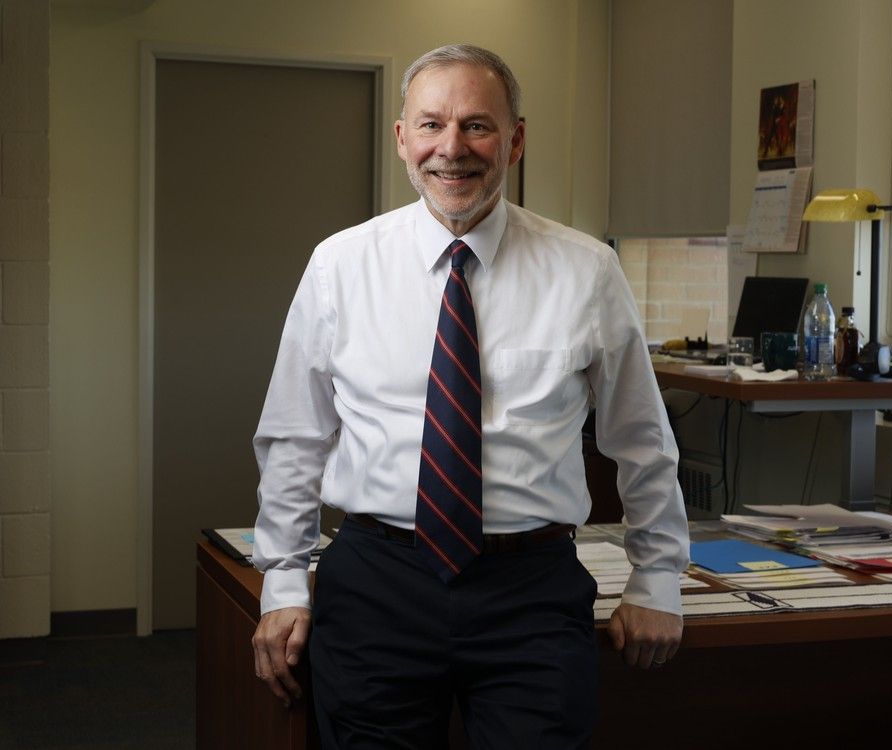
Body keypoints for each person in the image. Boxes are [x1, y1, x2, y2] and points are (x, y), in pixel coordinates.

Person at [250, 43, 689, 748]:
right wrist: (284, 582)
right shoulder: (340, 265)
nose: (451, 149)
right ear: (402, 139)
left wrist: (658, 577)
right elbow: (296, 437)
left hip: (532, 591)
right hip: (375, 582)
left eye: (477, 126)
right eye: (430, 125)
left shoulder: (587, 270)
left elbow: (641, 437)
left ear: (515, 139)